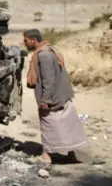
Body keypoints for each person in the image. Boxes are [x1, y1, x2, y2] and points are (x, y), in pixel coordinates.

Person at [23, 28, 87, 164]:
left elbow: (48, 80)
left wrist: (46, 100)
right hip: (61, 95)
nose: (24, 43)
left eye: (26, 40)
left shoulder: (43, 55)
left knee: (48, 124)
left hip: (52, 98)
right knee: (66, 124)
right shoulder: (51, 49)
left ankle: (46, 155)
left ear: (34, 40)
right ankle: (71, 153)